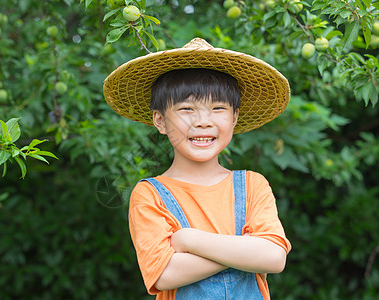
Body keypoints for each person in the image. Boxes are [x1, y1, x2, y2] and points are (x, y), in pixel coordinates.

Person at [103, 38, 292, 300]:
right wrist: (246, 250)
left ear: (234, 118)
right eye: (186, 109)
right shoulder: (150, 195)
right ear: (160, 120)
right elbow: (165, 274)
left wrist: (190, 240)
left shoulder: (252, 185)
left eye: (217, 108)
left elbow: (273, 257)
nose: (203, 122)